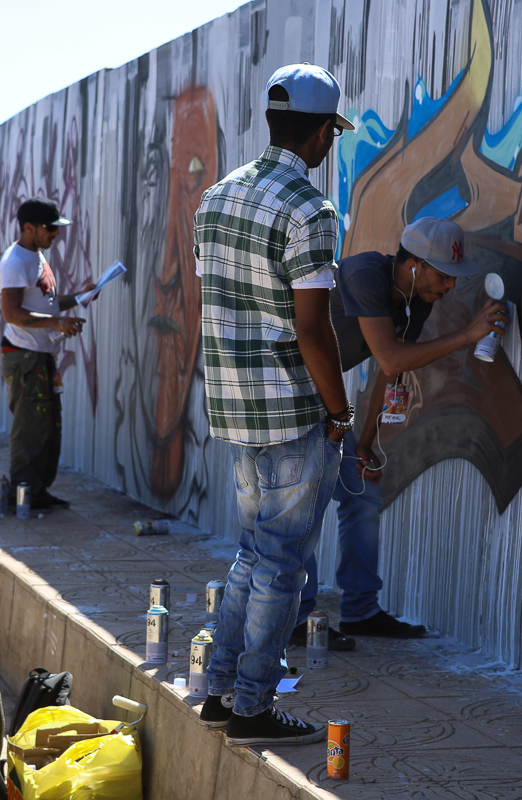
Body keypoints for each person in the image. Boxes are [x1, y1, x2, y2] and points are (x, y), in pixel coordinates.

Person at [195, 63, 355, 747]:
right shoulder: (311, 211)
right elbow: (312, 328)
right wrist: (342, 412)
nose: (329, 146)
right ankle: (253, 705)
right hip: (292, 411)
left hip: (233, 406)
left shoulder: (216, 197)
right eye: (331, 135)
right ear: (321, 133)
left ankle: (220, 690)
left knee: (253, 553)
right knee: (284, 564)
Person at [291, 216, 508, 650]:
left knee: (363, 493)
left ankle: (361, 610)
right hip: (291, 397)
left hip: (327, 402)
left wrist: (366, 443)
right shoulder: (364, 275)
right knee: (303, 505)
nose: (447, 288)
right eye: (443, 277)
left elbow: (386, 373)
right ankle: (295, 617)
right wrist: (467, 335)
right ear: (413, 267)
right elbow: (391, 358)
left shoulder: (414, 297)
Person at [0, 197, 94, 511]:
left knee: (48, 427)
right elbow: (11, 313)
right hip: (25, 357)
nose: (55, 234)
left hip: (39, 355)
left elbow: (46, 304)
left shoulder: (36, 256)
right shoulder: (16, 261)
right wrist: (57, 322)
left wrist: (79, 298)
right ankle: (22, 496)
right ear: (29, 228)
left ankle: (37, 493)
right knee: (30, 428)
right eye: (50, 228)